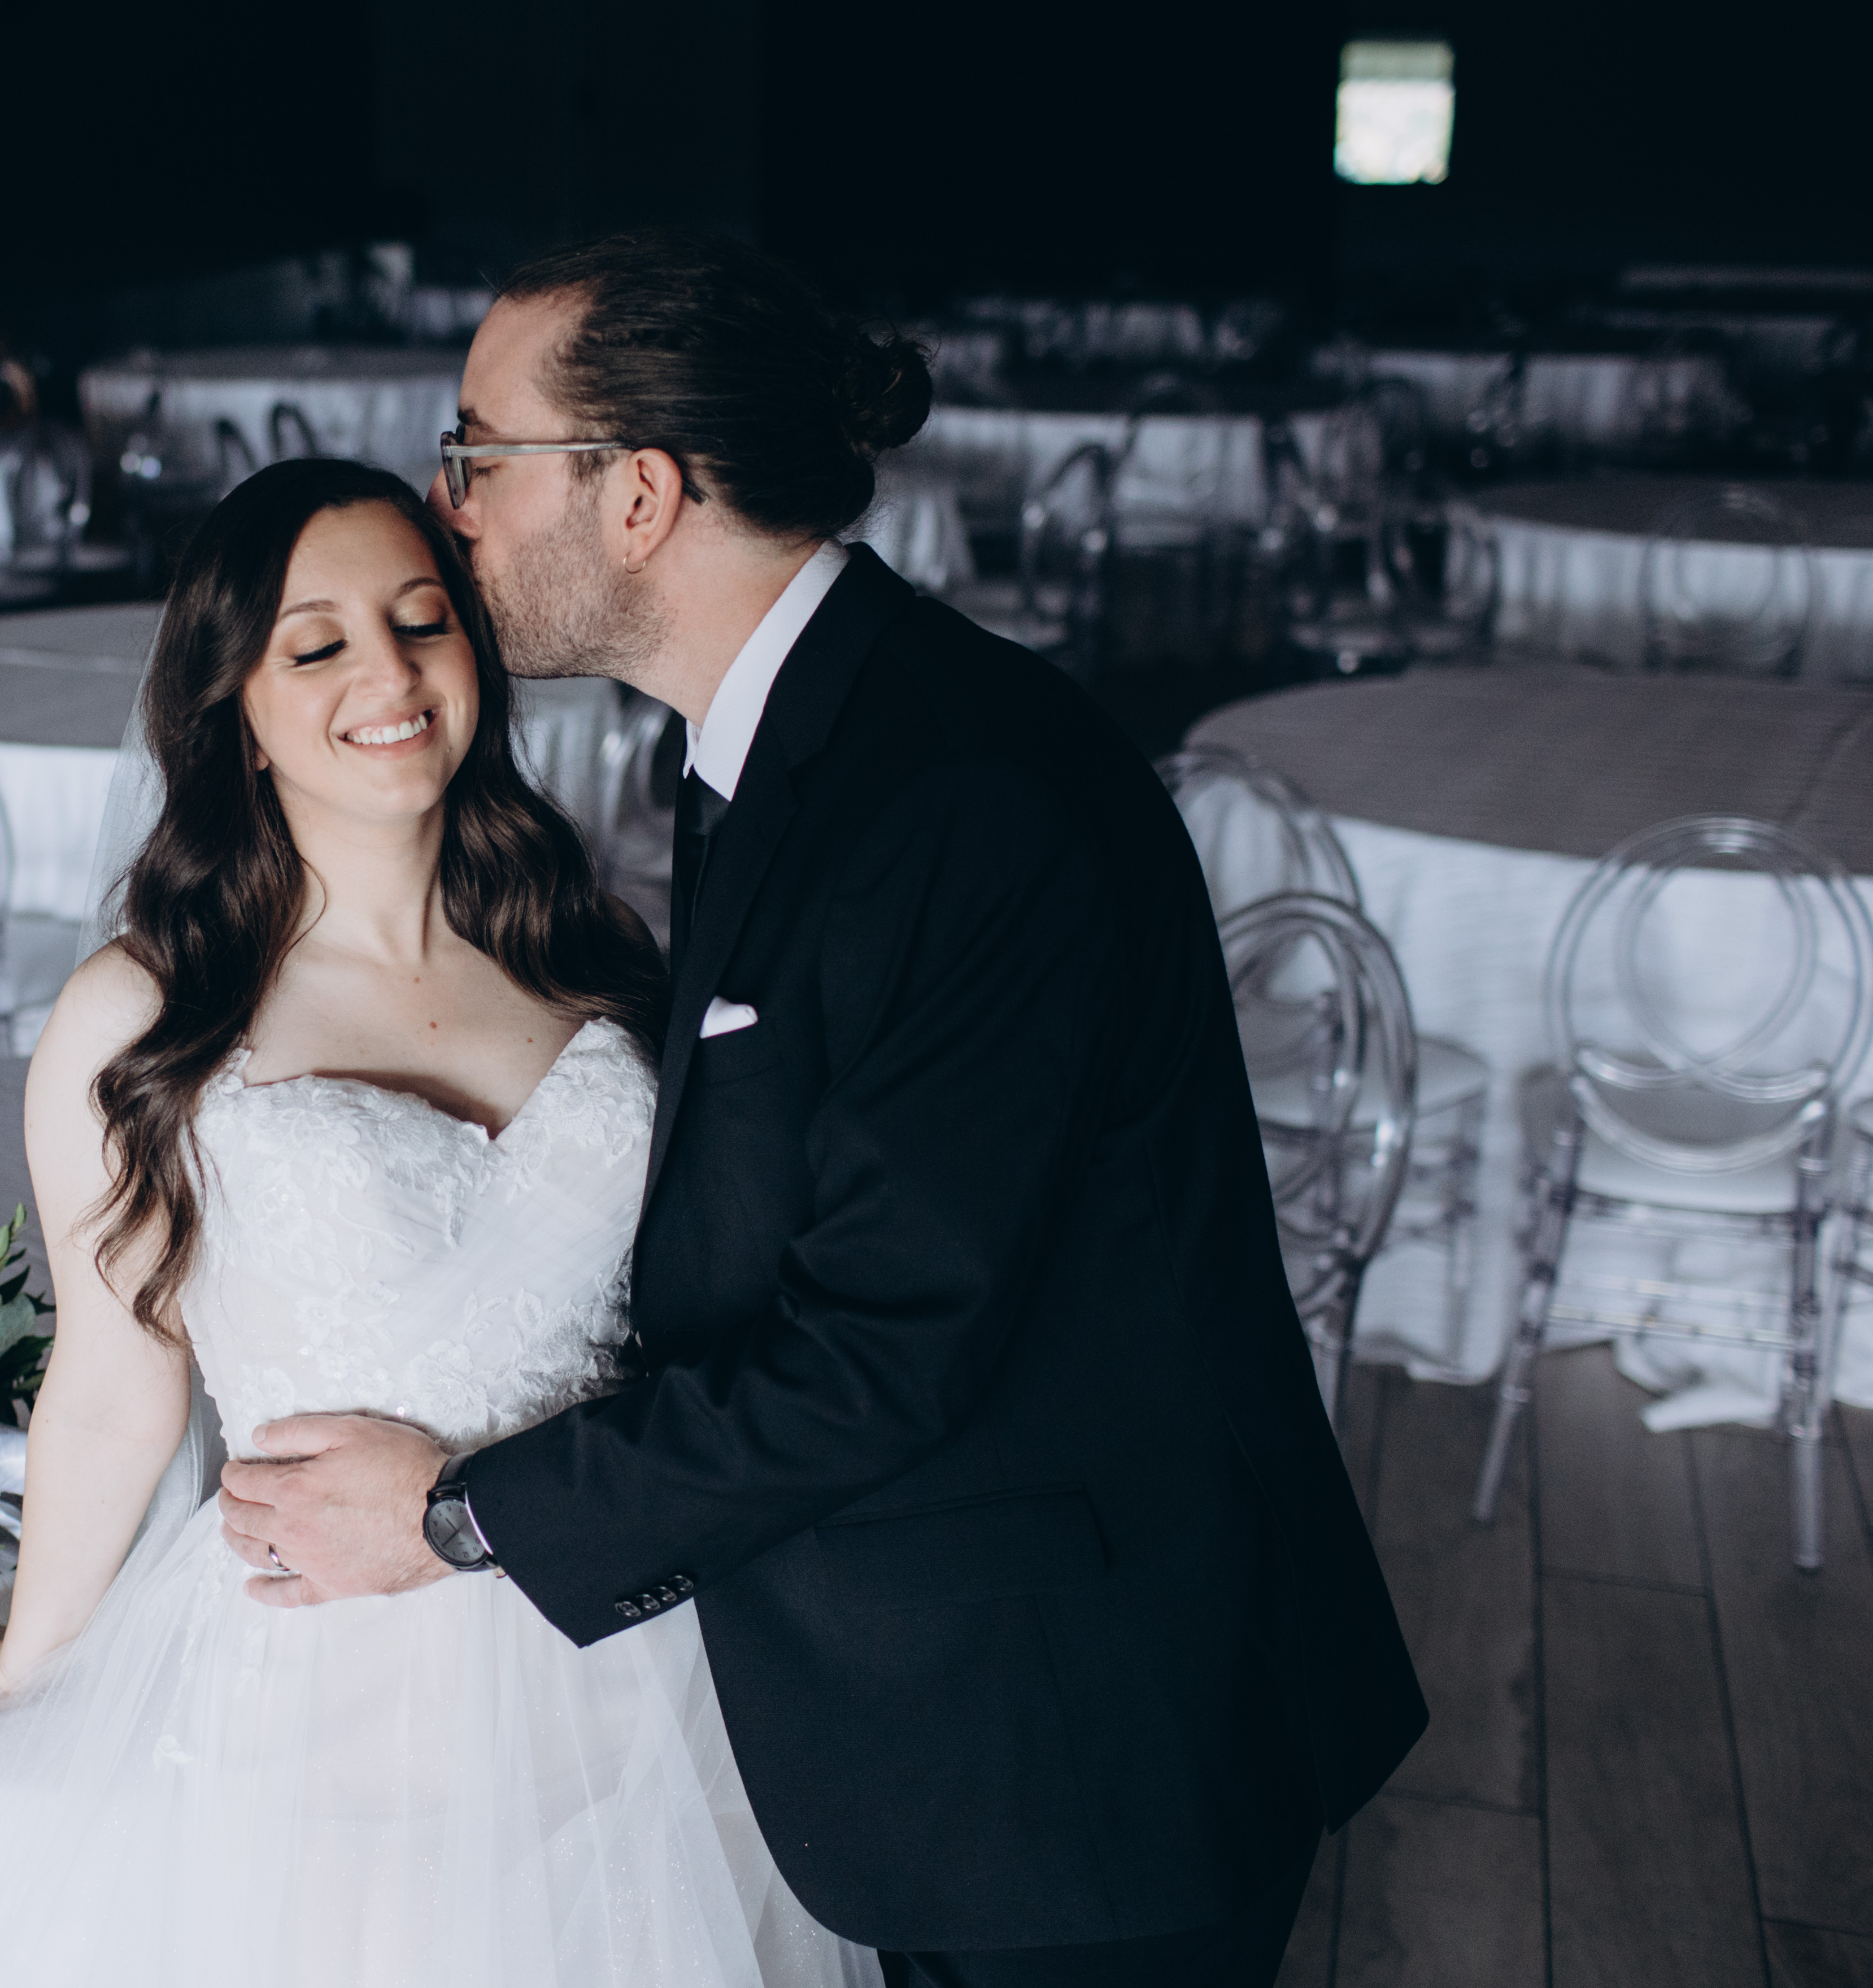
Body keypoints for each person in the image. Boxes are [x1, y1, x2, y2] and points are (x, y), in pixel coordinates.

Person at [214, 231, 1428, 1986]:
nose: (447, 507)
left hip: (1078, 1742)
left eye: (477, 455)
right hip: (948, 1707)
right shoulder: (785, 735)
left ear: (638, 493)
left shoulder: (957, 792)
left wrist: (458, 1513)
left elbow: (886, 1347)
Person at [0, 455, 874, 1986]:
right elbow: (113, 1389)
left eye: (424, 620)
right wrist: (32, 1648)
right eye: (316, 646)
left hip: (627, 1630)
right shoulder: (146, 1013)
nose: (391, 674)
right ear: (234, 706)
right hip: (339, 1684)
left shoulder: (592, 946)